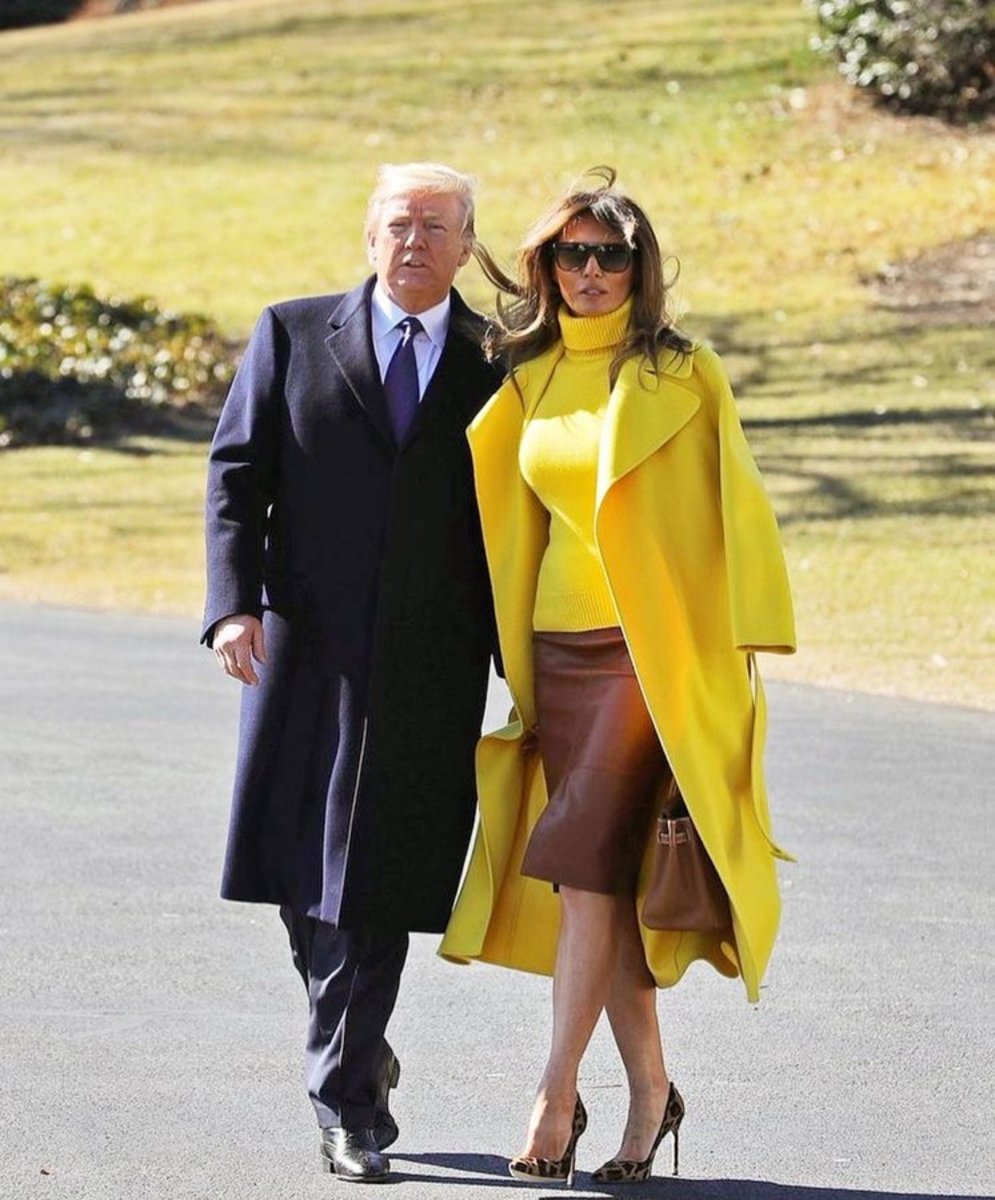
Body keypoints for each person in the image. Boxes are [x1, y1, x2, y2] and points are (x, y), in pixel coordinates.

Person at [440, 168, 796, 1186]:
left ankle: (554, 1095)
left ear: (639, 269)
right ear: (545, 265)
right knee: (604, 882)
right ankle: (649, 1094)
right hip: (554, 656)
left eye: (610, 254)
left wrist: (746, 646)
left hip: (651, 658)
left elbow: (739, 508)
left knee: (586, 868)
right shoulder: (525, 378)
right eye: (571, 253)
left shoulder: (685, 373)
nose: (590, 270)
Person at [202, 162, 502, 1183]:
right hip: (304, 646)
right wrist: (230, 607)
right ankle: (360, 1048)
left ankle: (346, 1103)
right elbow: (237, 477)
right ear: (368, 237)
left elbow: (528, 510)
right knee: (302, 866)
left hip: (433, 656)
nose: (413, 242)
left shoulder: (497, 356)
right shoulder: (290, 333)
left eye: (435, 226)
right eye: (396, 224)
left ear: (466, 245)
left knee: (376, 872)